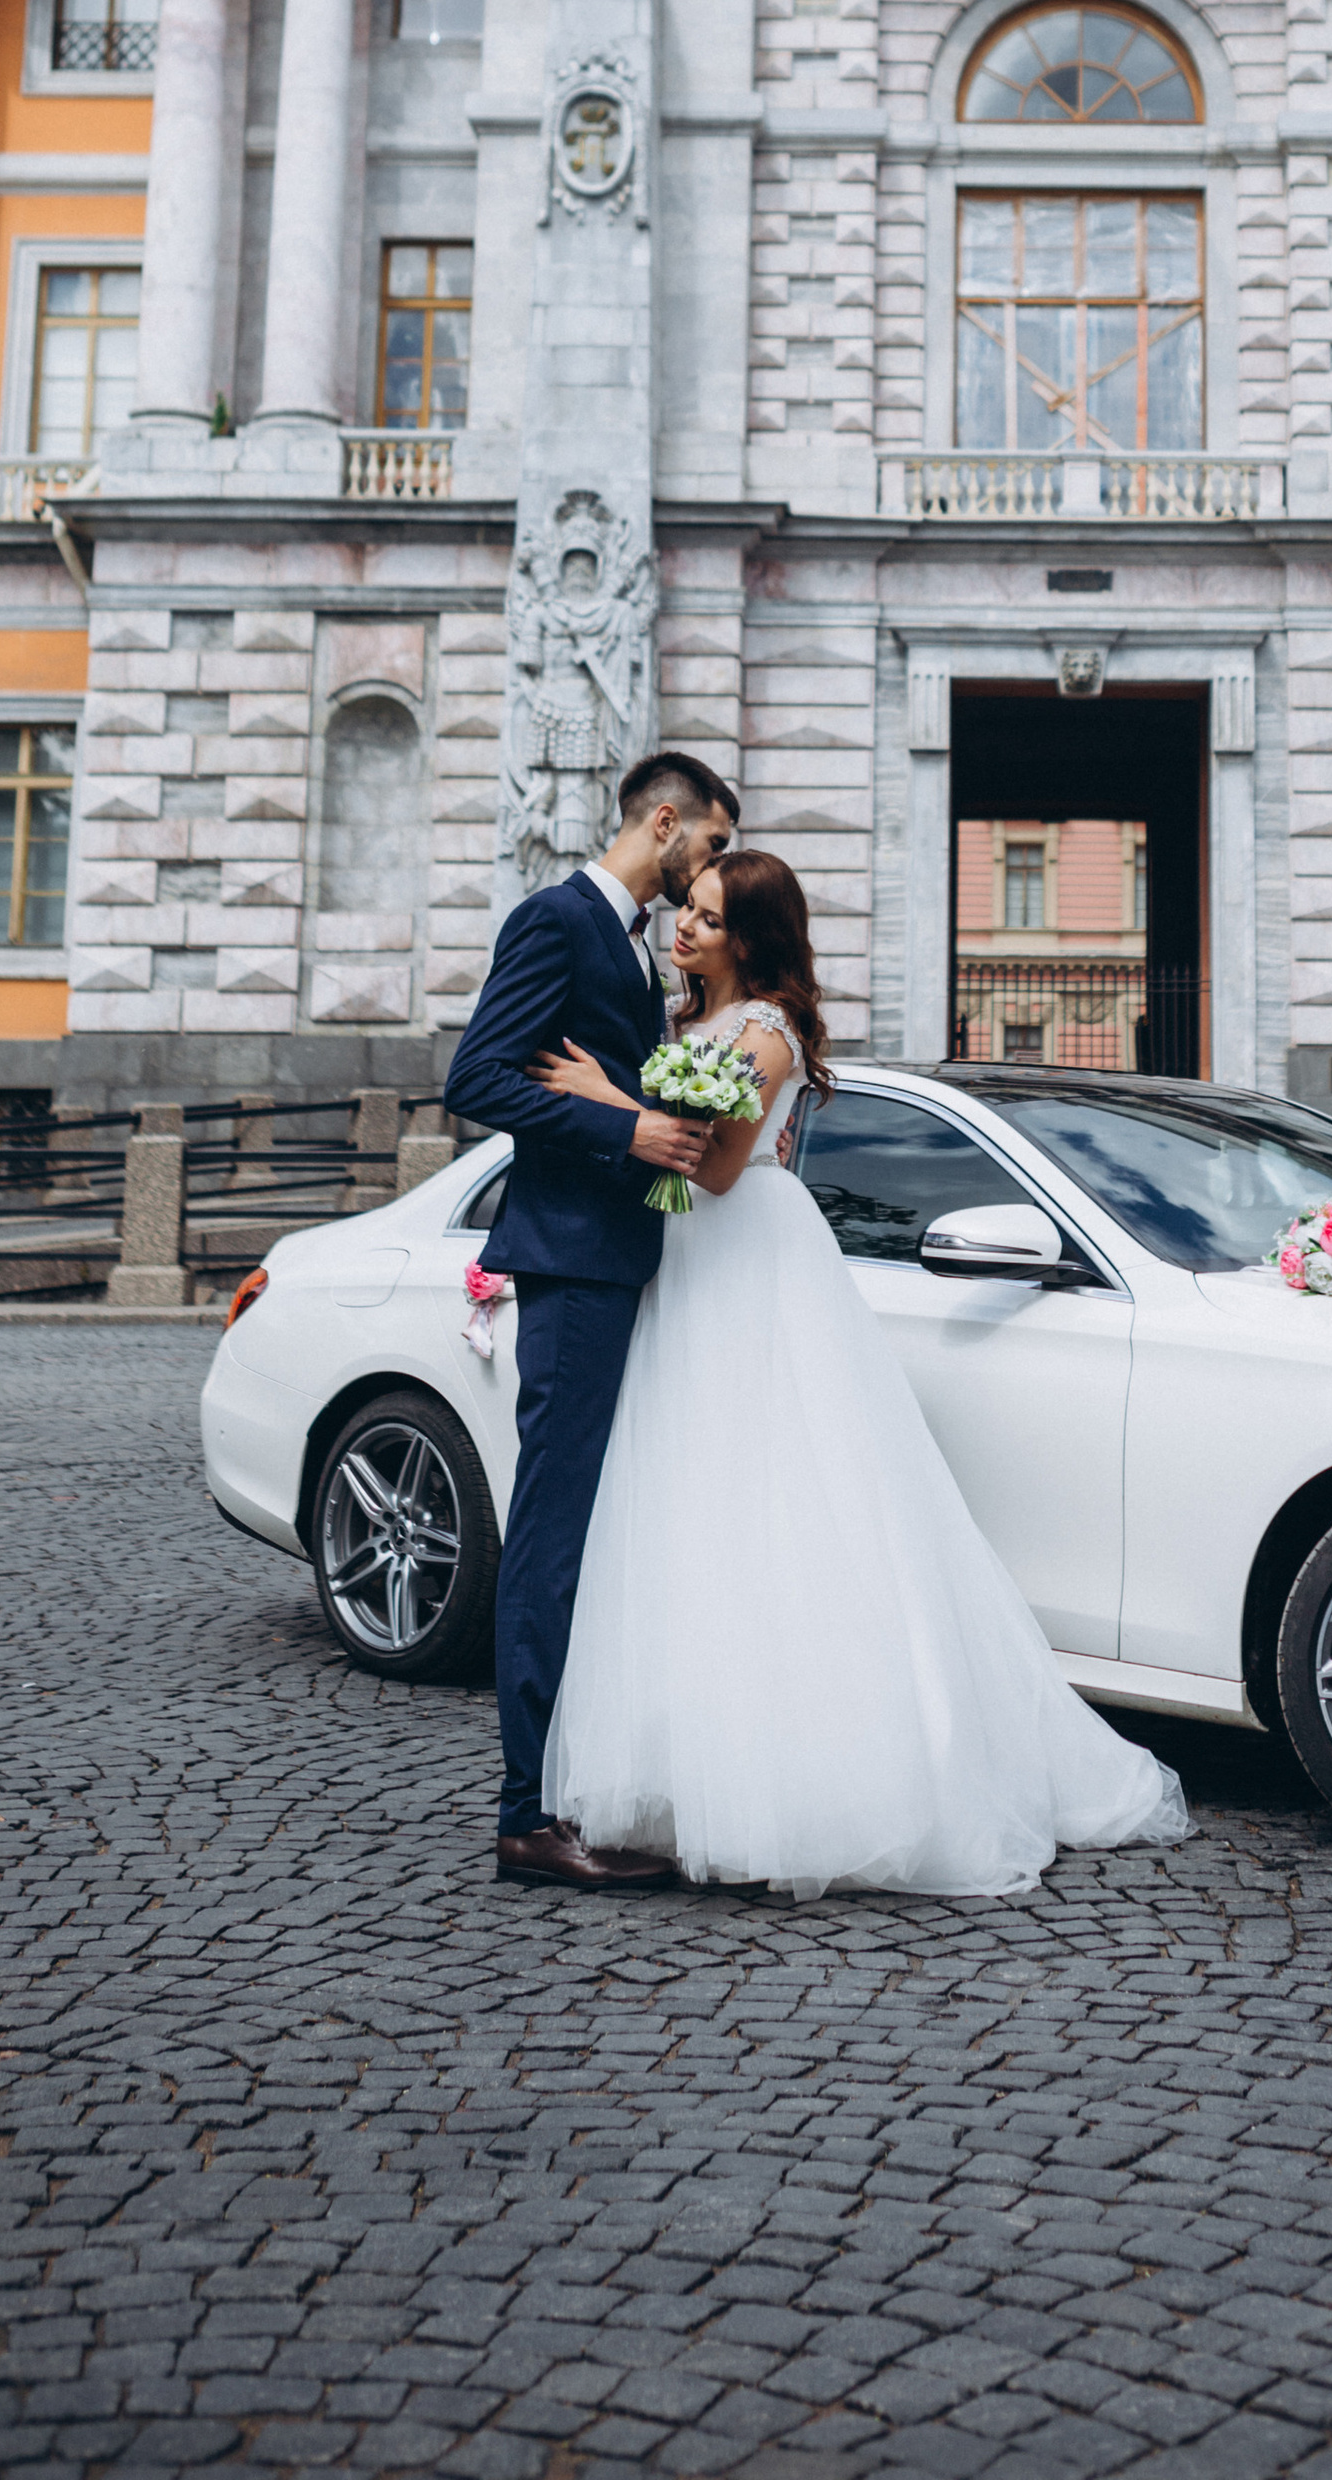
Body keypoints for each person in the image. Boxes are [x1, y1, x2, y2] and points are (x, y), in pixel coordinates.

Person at [528, 847, 1190, 1899]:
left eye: (704, 917)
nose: (683, 930)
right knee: (686, 1516)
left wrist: (608, 1095)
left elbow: (720, 1164)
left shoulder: (768, 1034)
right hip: (684, 1271)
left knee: (789, 1504)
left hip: (749, 1267)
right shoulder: (685, 1025)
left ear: (751, 937)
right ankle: (685, 1775)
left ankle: (814, 1779)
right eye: (684, 912)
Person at [441, 748, 740, 1888]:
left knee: (592, 1534)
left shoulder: (626, 944)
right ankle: (526, 1815)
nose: (710, 871)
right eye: (708, 846)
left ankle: (575, 1780)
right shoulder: (556, 920)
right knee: (551, 1533)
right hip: (569, 1265)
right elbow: (476, 1077)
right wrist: (627, 1134)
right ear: (663, 822)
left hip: (617, 1261)